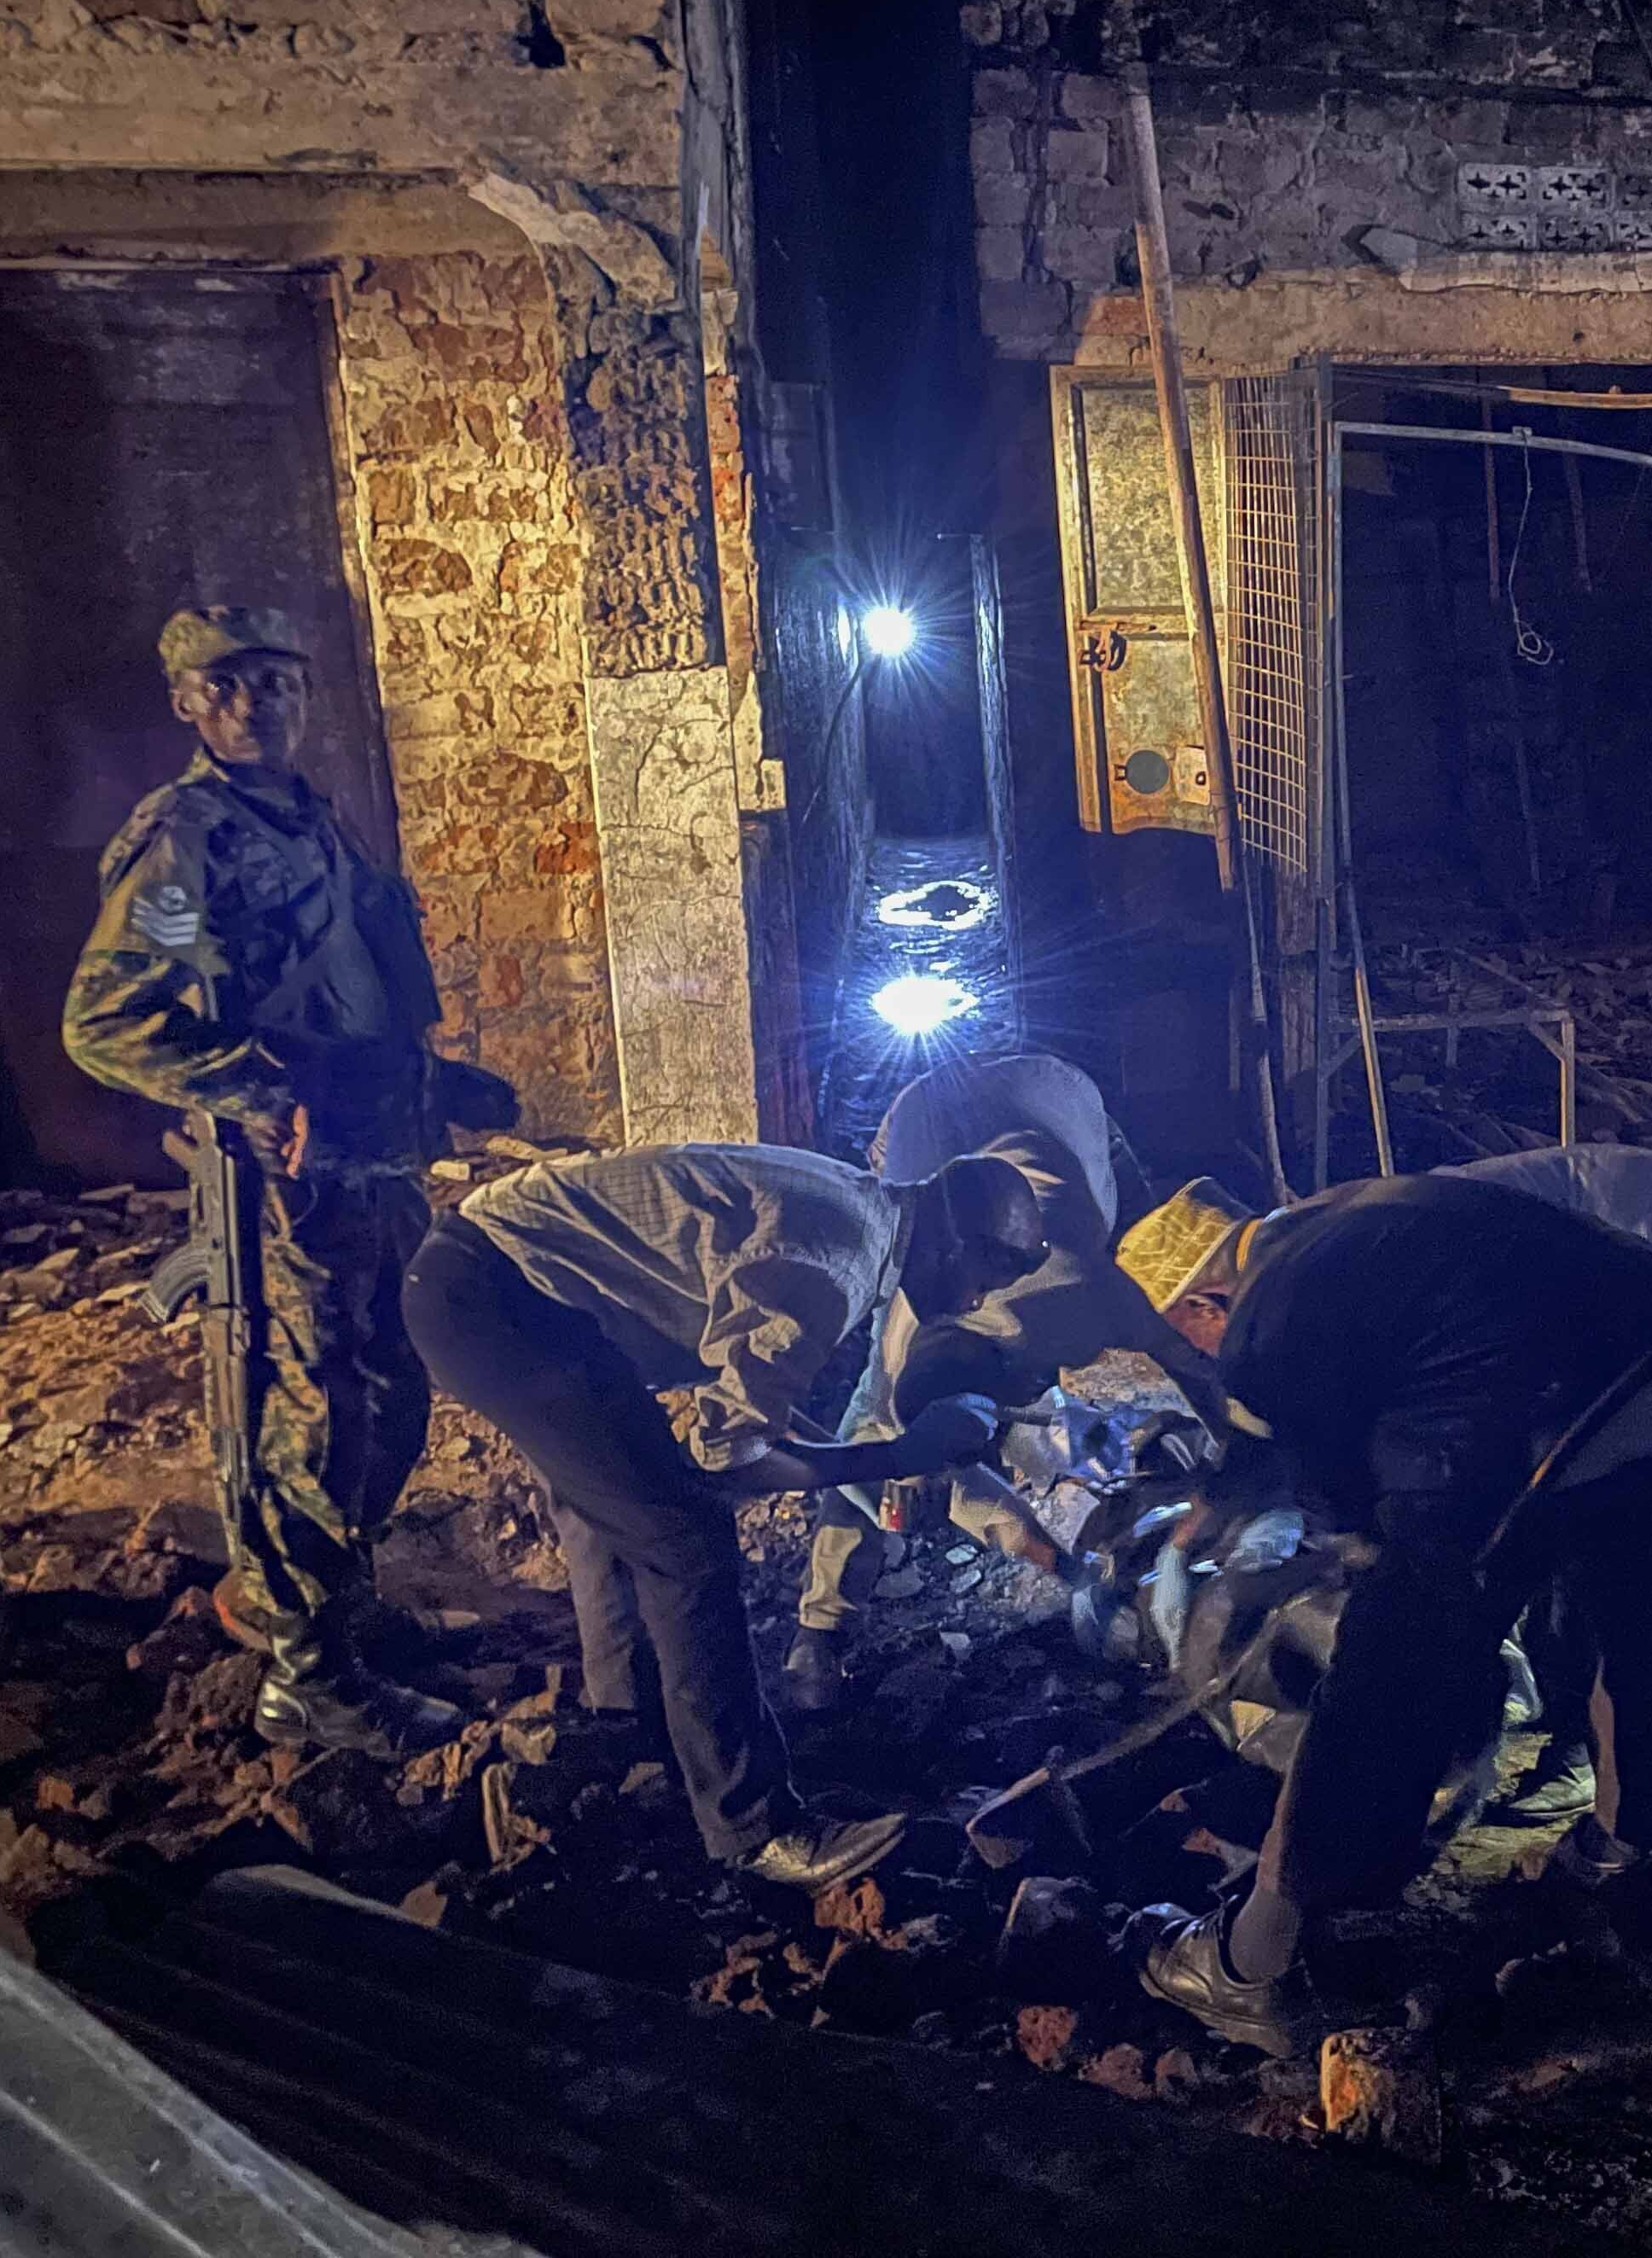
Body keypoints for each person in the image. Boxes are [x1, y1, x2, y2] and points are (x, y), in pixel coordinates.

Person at [1126, 1177, 1652, 2055]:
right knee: (1631, 1618)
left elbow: (1331, 1474)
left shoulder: (1267, 1304)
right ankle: (1620, 1848)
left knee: (1388, 1672)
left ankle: (1257, 1960)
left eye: (1184, 1333)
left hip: (1549, 1410)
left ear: (1204, 1298)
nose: (1193, 1351)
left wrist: (1351, 1550)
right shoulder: (1347, 1219)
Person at [64, 605, 516, 1758]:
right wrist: (261, 1097)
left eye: (279, 681)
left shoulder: (316, 819)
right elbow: (108, 1021)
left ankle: (322, 1614)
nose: (259, 703)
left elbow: (352, 983)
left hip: (377, 1158)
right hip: (289, 1184)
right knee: (310, 1422)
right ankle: (305, 1673)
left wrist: (438, 1084)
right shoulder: (184, 837)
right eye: (229, 685)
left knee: (393, 1400)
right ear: (187, 703)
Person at [398, 1144, 1030, 1889]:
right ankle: (755, 1829)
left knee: (617, 1502)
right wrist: (898, 1455)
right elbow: (729, 1463)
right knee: (687, 1541)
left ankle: (630, 1739)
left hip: (507, 1282)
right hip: (497, 1300)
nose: (979, 1302)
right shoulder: (838, 1265)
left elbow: (756, 1424)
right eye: (991, 1279)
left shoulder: (858, 1215)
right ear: (956, 1244)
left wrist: (891, 1453)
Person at [782, 1050, 1220, 1712]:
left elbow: (1196, 1358)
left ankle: (821, 1630)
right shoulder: (903, 1332)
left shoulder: (1092, 1293)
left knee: (1150, 1248)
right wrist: (1068, 1571)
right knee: (864, 1435)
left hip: (1063, 1093)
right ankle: (819, 1632)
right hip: (920, 1112)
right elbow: (894, 1469)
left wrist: (1244, 1460)